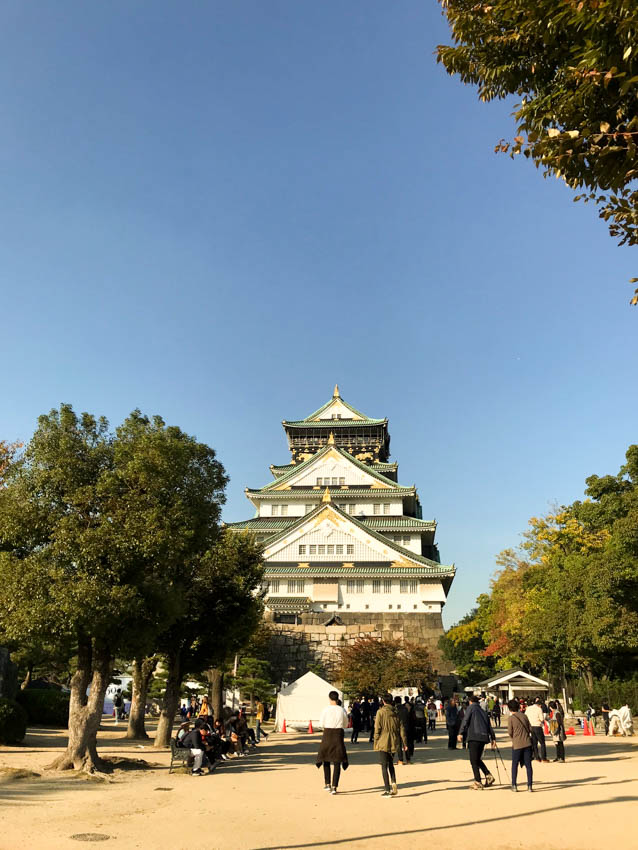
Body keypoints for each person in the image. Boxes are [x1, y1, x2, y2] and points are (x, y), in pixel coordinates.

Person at [457, 694, 496, 790]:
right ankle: (488, 775)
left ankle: (478, 781)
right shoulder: (483, 711)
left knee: (473, 760)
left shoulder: (471, 708)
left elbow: (465, 720)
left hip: (474, 736)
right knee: (477, 759)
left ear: (470, 702)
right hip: (483, 737)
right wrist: (493, 738)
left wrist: (460, 732)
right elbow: (489, 725)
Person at [316, 690, 349, 795]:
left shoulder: (325, 710)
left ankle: (327, 784)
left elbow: (321, 723)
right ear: (337, 698)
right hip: (338, 734)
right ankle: (334, 786)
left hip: (327, 733)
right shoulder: (342, 710)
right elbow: (345, 724)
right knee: (337, 760)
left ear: (329, 698)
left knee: (325, 758)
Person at [374, 694, 407, 797]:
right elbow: (402, 729)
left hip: (383, 739)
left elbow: (377, 728)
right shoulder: (396, 712)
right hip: (394, 740)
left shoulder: (380, 712)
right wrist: (404, 743)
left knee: (384, 765)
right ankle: (393, 782)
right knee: (391, 764)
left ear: (383, 701)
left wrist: (376, 741)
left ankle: (387, 790)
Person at [507, 698, 533, 792]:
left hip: (517, 744)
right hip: (527, 743)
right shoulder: (524, 716)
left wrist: (514, 737)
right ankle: (529, 785)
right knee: (528, 765)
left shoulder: (511, 718)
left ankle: (514, 785)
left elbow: (510, 732)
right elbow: (530, 729)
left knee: (515, 764)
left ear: (509, 708)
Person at [525, 697, 548, 762]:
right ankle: (544, 757)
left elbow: (525, 717)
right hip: (537, 726)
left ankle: (537, 757)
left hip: (531, 726)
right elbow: (541, 719)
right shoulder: (539, 709)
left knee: (534, 743)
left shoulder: (528, 708)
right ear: (540, 705)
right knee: (542, 742)